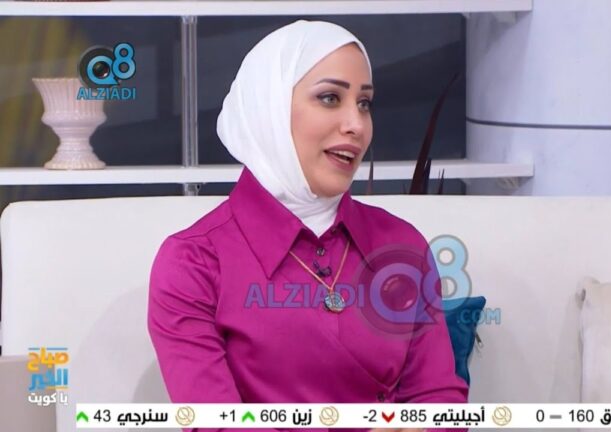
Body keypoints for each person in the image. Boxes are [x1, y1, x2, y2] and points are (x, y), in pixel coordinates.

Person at [147, 20, 468, 432]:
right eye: (330, 98)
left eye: (364, 103)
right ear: (269, 108)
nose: (356, 124)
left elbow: (439, 401)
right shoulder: (193, 262)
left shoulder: (401, 244)